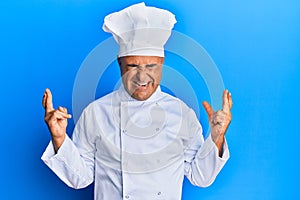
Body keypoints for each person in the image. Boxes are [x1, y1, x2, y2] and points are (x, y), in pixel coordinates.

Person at [41, 2, 232, 200]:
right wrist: (59, 138)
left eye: (150, 66)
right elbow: (80, 178)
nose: (142, 77)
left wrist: (216, 138)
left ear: (162, 64)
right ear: (119, 64)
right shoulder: (95, 113)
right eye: (132, 66)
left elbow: (200, 176)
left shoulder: (182, 114)